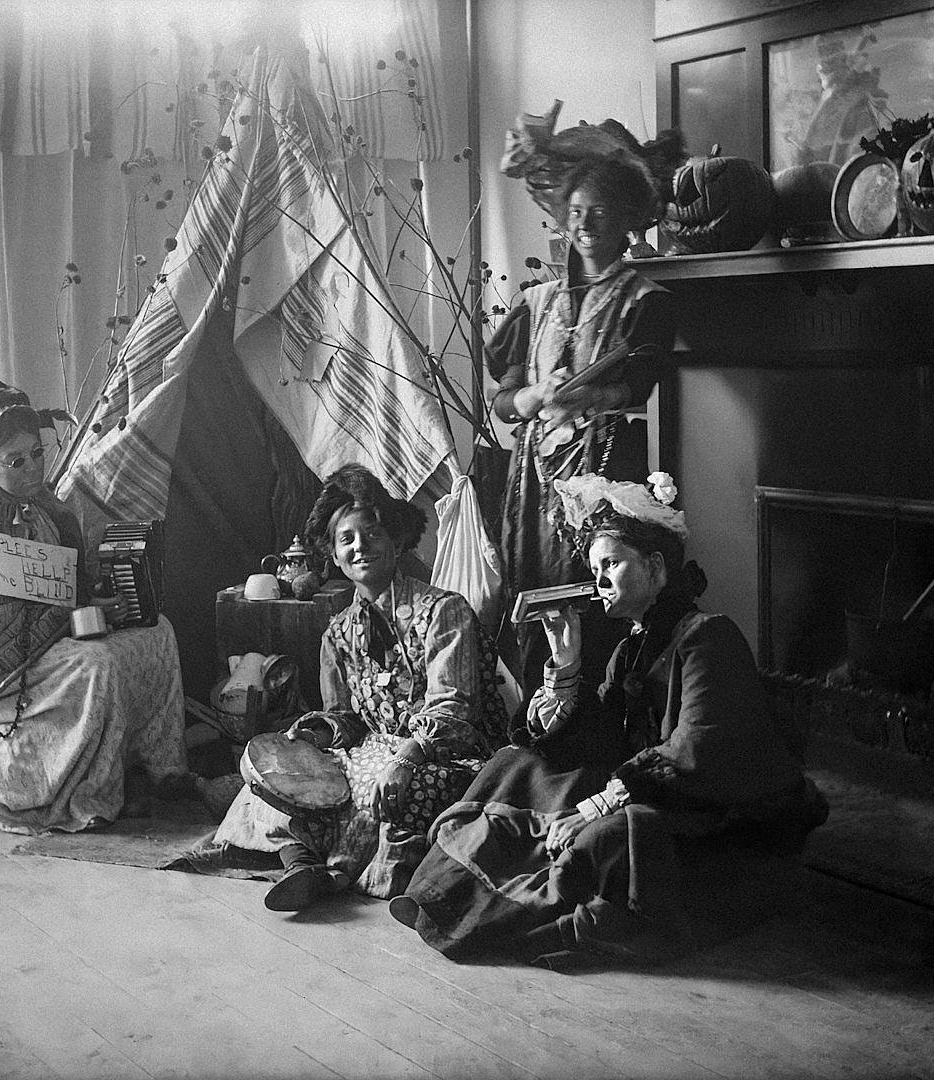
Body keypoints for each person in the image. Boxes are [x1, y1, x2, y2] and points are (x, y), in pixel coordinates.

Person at [389, 472, 828, 966]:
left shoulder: (709, 637)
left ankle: (498, 921)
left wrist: (596, 805)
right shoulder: (627, 652)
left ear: (656, 568)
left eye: (611, 565)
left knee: (604, 835)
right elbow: (598, 743)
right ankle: (443, 897)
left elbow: (697, 752)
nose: (598, 582)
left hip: (714, 810)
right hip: (648, 790)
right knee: (515, 763)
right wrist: (567, 664)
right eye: (595, 568)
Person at [210, 464, 509, 911]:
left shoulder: (445, 611)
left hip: (448, 754)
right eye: (346, 539)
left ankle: (339, 871)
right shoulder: (339, 630)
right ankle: (302, 866)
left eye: (372, 535)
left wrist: (406, 757)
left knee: (393, 787)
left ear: (396, 540)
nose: (360, 547)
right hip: (371, 750)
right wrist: (312, 737)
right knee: (280, 779)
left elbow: (455, 708)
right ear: (333, 553)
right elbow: (346, 720)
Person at [0, 376, 189, 833]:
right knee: (98, 664)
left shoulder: (42, 506)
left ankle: (158, 769)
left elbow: (63, 585)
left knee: (157, 632)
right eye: (16, 461)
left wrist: (95, 604)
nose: (34, 469)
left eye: (37, 454)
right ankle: (85, 791)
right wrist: (74, 620)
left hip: (43, 641)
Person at [488, 114, 682, 704]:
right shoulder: (536, 302)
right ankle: (537, 721)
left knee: (595, 591)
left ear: (626, 221)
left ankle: (593, 722)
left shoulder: (643, 301)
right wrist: (529, 398)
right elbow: (501, 401)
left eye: (599, 213)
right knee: (532, 589)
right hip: (532, 483)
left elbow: (638, 385)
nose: (585, 224)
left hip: (602, 474)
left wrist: (591, 395)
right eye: (575, 212)